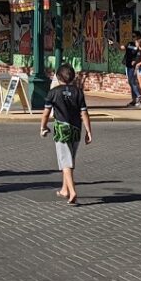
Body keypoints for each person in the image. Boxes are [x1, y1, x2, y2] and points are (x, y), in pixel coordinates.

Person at [40, 64, 93, 205]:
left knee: (65, 162)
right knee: (70, 159)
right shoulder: (78, 92)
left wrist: (43, 127)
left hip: (61, 128)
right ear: (73, 77)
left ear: (58, 77)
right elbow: (84, 113)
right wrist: (89, 131)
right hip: (76, 128)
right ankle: (65, 189)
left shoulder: (53, 92)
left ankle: (72, 191)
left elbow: (45, 114)